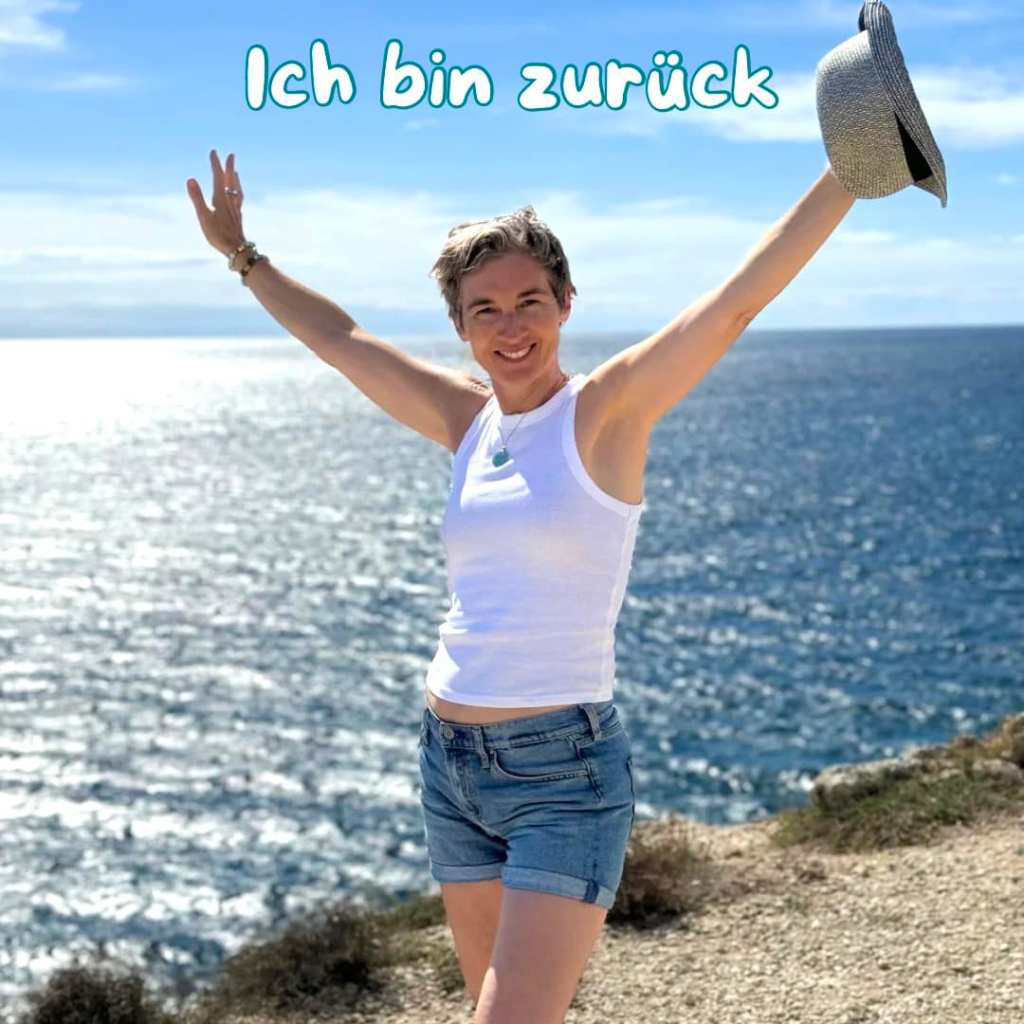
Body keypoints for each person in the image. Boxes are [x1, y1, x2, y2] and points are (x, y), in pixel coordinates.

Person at [187, 148, 855, 1023]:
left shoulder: (605, 411)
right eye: (486, 310)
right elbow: (341, 341)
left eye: (529, 302)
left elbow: (732, 304)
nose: (510, 327)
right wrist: (243, 257)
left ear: (565, 302)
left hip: (562, 775)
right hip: (449, 766)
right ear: (462, 327)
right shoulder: (467, 420)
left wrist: (849, 171)